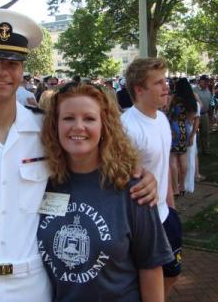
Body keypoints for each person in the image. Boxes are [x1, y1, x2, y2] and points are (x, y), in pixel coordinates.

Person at [0, 9, 157, 302]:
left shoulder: (46, 131)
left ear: (21, 71)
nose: (1, 72)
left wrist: (139, 175)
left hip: (30, 286)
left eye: (11, 63)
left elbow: (96, 153)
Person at [38, 82, 172, 301]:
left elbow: (151, 266)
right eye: (68, 118)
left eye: (89, 118)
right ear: (55, 125)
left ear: (104, 126)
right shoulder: (42, 183)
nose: (78, 127)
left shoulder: (133, 188)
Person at [121, 58, 182, 297]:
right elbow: (122, 183)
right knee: (147, 284)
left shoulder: (162, 119)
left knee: (173, 274)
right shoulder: (127, 128)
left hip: (165, 215)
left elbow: (163, 167)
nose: (166, 86)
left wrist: (172, 209)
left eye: (165, 80)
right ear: (139, 89)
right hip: (142, 224)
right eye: (158, 82)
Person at [167, 78, 198, 196]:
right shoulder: (190, 99)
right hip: (184, 128)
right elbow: (192, 115)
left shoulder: (173, 97)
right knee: (183, 157)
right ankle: (182, 186)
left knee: (173, 159)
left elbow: (166, 110)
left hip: (172, 129)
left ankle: (174, 189)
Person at [193, 75, 212, 154]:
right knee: (194, 132)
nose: (206, 83)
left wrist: (210, 114)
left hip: (204, 114)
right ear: (200, 81)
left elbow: (210, 103)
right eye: (204, 81)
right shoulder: (194, 90)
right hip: (195, 114)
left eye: (207, 81)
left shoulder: (208, 91)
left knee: (205, 132)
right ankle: (195, 149)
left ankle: (205, 149)